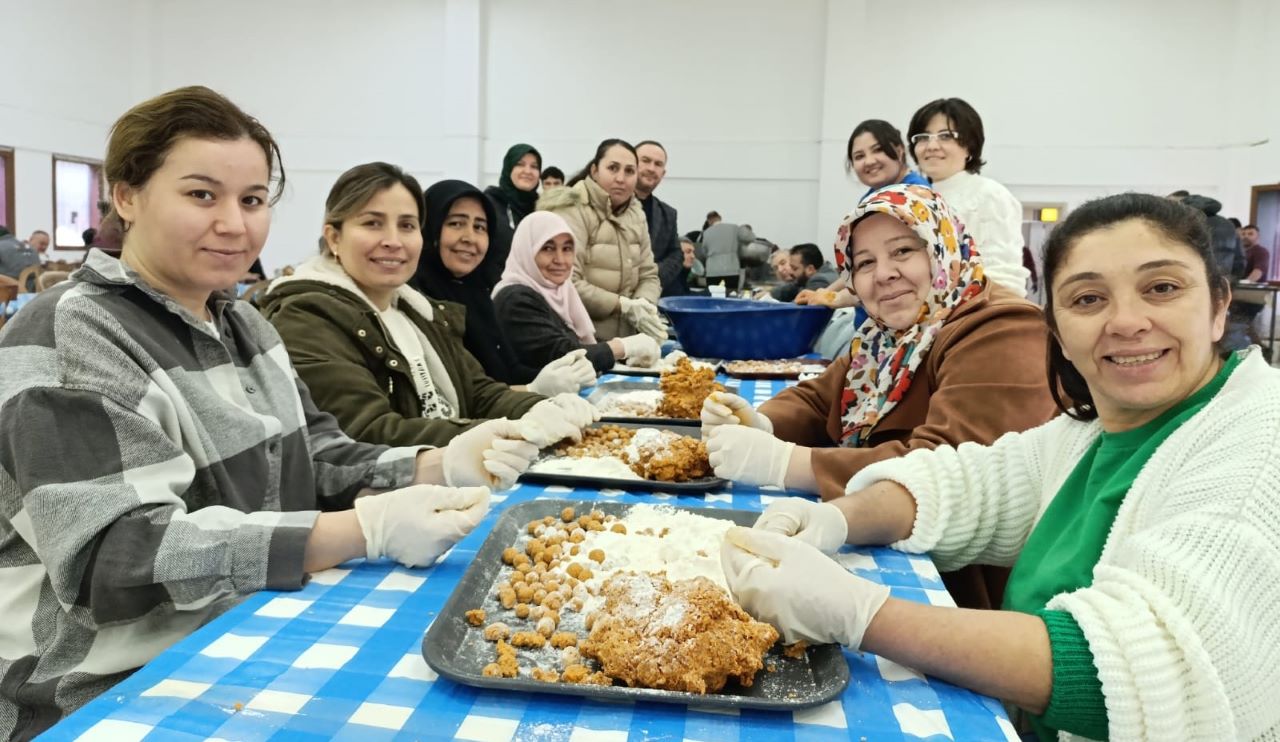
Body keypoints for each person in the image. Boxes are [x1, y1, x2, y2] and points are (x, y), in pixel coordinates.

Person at [0, 87, 541, 740]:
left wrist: (438, 463)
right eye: (202, 195)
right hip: (107, 691)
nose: (235, 223)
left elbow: (314, 454)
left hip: (246, 626)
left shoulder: (243, 323)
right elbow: (117, 560)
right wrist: (359, 532)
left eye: (252, 201)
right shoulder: (73, 332)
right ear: (127, 196)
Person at [722, 192, 1280, 740]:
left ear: (1218, 306)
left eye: (1161, 288)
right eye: (1088, 299)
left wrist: (862, 614)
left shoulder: (1258, 446)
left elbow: (1146, 671)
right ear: (1057, 330)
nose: (1127, 322)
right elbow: (964, 484)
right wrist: (837, 519)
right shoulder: (1091, 431)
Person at [703, 184, 1058, 608]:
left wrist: (789, 464)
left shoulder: (1002, 328)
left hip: (955, 590)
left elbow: (944, 469)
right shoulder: (884, 336)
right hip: (866, 539)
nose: (883, 274)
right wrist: (763, 422)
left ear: (942, 247)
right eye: (865, 262)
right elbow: (820, 398)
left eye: (903, 251)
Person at [262, 162, 593, 448]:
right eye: (372, 223)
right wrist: (514, 430)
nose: (393, 240)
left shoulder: (417, 310)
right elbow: (368, 433)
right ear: (334, 238)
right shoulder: (306, 316)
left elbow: (479, 392)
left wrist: (540, 406)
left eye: (406, 225)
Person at [411, 179, 595, 391]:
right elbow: (465, 394)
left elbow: (508, 371)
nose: (470, 238)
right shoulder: (418, 300)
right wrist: (532, 390)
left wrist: (561, 378)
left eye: (480, 227)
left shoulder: (477, 292)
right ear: (430, 226)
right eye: (456, 223)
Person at [493, 211, 661, 374]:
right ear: (526, 251)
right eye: (547, 248)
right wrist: (623, 347)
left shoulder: (560, 293)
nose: (560, 260)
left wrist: (628, 356)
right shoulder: (515, 299)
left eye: (567, 249)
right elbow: (561, 354)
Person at [536, 138, 664, 342]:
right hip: (580, 341)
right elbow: (567, 281)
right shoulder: (572, 210)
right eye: (613, 168)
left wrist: (643, 305)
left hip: (627, 343)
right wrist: (622, 305)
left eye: (629, 171)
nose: (621, 178)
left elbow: (649, 274)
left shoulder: (636, 215)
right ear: (595, 171)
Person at [805, 119, 936, 309]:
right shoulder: (871, 197)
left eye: (878, 150)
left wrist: (837, 299)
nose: (869, 161)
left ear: (899, 150)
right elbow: (862, 264)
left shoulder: (913, 195)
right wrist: (826, 293)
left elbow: (904, 275)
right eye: (859, 156)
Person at [906, 97, 1030, 297]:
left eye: (945, 136)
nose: (931, 145)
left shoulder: (988, 195)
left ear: (970, 146)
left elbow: (1004, 279)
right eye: (923, 137)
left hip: (970, 318)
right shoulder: (915, 199)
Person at [484, 144, 542, 289]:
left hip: (533, 292)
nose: (528, 171)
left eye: (534, 167)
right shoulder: (490, 203)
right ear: (508, 168)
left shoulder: (542, 209)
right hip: (494, 290)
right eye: (520, 164)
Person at [634, 140, 685, 297]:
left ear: (663, 173)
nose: (651, 168)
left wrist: (649, 279)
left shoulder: (668, 214)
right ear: (632, 164)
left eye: (658, 164)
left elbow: (676, 255)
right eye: (645, 161)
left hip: (650, 299)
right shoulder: (609, 205)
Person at [1182, 194, 1244, 281]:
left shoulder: (1190, 223)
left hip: (1196, 280)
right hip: (1223, 281)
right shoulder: (1228, 224)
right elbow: (1239, 262)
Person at [700, 212, 755, 291]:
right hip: (731, 270)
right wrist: (743, 228)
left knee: (713, 297)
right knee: (731, 296)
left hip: (712, 272)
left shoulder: (706, 233)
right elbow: (750, 238)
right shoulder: (734, 228)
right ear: (720, 218)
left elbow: (704, 252)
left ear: (709, 221)